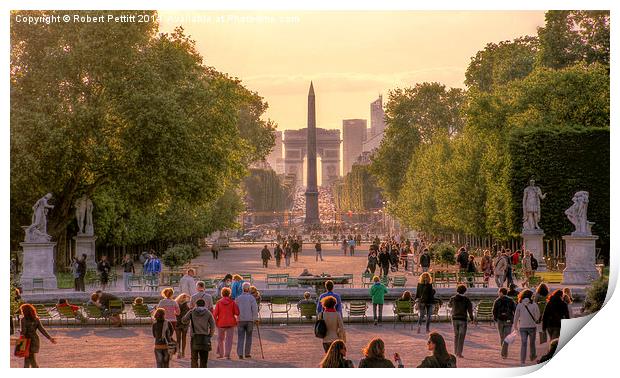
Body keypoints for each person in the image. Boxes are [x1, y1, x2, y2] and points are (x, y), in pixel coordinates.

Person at [18, 303, 57, 368]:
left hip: (26, 341)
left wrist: (20, 332)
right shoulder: (36, 319)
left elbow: (24, 332)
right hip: (35, 340)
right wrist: (50, 338)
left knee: (28, 360)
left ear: (24, 311)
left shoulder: (23, 320)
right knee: (31, 358)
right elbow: (42, 330)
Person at [182, 298, 216, 368]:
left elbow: (184, 320)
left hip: (194, 337)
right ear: (204, 305)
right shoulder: (208, 313)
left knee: (194, 358)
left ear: (196, 305)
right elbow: (213, 325)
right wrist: (210, 335)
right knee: (204, 359)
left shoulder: (191, 312)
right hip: (205, 338)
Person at [512, 289, 540, 366]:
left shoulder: (520, 304)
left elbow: (516, 316)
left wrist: (515, 325)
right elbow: (537, 317)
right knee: (532, 343)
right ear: (531, 296)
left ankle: (522, 361)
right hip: (532, 326)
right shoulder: (534, 304)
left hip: (523, 327)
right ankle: (532, 356)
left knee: (523, 344)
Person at [212, 287, 239, 359]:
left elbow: (215, 314)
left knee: (220, 339)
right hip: (230, 323)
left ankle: (221, 354)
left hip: (221, 323)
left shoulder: (219, 302)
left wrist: (216, 322)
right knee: (229, 340)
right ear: (229, 294)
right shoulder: (232, 302)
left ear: (222, 294)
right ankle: (227, 355)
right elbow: (237, 312)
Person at [448, 285, 474, 358]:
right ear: (465, 291)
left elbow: (449, 306)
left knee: (456, 335)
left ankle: (455, 351)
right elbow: (470, 310)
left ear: (457, 290)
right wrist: (472, 319)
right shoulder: (467, 299)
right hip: (463, 319)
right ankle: (459, 353)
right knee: (461, 336)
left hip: (454, 318)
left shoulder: (453, 298)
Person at [235, 282, 259, 359]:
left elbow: (235, 310)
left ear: (242, 289)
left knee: (240, 337)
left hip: (240, 320)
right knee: (249, 337)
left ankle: (240, 353)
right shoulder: (252, 298)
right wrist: (256, 319)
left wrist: (236, 317)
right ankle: (247, 353)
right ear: (248, 289)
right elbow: (255, 309)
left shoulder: (238, 298)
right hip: (249, 320)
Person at [492, 287, 517, 359]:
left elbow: (494, 311)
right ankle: (504, 353)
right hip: (508, 320)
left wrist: (496, 318)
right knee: (506, 337)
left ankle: (503, 353)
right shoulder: (511, 300)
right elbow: (515, 310)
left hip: (500, 320)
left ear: (502, 292)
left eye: (499, 292)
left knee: (502, 337)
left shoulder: (497, 300)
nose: (498, 293)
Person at [175, 293, 191, 359]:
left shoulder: (176, 304)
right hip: (184, 324)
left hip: (177, 323)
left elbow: (175, 314)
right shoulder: (187, 306)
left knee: (178, 339)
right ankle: (183, 353)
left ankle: (179, 353)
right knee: (184, 338)